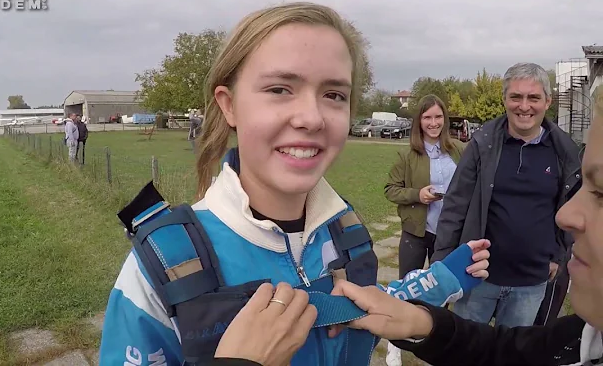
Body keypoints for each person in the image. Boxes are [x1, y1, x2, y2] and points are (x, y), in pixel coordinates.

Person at [98, 1, 491, 366]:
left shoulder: (346, 233)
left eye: (334, 94)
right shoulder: (162, 265)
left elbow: (367, 314)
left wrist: (443, 278)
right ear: (229, 105)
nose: (312, 118)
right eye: (279, 89)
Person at [202, 89, 603, 366]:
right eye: (277, 90)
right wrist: (423, 321)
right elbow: (513, 351)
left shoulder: (460, 150)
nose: (565, 215)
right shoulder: (583, 337)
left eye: (600, 193)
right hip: (417, 230)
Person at [430, 62, 582, 328]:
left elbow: (572, 209)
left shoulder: (564, 152)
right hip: (476, 276)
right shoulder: (482, 145)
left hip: (531, 282)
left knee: (511, 354)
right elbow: (455, 205)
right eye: (516, 97)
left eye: (533, 97)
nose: (524, 106)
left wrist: (559, 255)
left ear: (548, 101)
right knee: (465, 352)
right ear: (505, 100)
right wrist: (443, 263)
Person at [383, 94, 466, 365]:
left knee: (442, 290)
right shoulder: (407, 155)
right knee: (408, 288)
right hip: (417, 233)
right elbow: (390, 190)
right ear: (419, 121)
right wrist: (418, 194)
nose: (433, 123)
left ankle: (435, 340)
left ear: (445, 119)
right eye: (428, 117)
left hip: (448, 236)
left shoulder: (459, 150)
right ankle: (394, 343)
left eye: (438, 117)